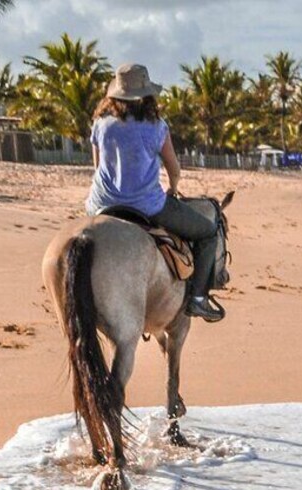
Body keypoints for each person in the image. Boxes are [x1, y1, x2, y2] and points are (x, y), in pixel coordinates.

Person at [86, 63, 224, 322]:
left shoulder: (101, 124)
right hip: (146, 205)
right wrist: (172, 187)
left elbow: (97, 167)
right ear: (146, 95)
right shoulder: (156, 126)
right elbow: (173, 167)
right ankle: (197, 298)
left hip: (99, 204)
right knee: (207, 232)